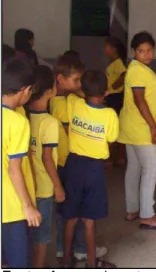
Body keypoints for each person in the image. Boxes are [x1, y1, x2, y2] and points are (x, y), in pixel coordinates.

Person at [50, 54, 106, 262]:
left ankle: (63, 250)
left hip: (67, 162)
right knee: (75, 209)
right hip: (67, 162)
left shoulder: (67, 100)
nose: (79, 85)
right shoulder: (63, 104)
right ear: (60, 79)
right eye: (75, 81)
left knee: (67, 209)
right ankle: (81, 248)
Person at [61, 70, 118, 268]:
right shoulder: (110, 114)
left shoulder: (73, 103)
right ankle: (92, 264)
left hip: (73, 165)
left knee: (70, 217)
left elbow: (74, 93)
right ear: (105, 92)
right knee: (89, 219)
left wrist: (82, 91)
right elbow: (111, 140)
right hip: (95, 168)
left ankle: (66, 261)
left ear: (83, 90)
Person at [119, 32, 156, 230]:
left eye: (149, 50)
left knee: (134, 167)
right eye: (141, 51)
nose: (146, 54)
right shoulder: (139, 71)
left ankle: (133, 208)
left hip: (131, 126)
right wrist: (153, 126)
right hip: (141, 128)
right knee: (151, 168)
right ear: (133, 51)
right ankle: (147, 214)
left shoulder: (137, 68)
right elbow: (140, 100)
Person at [2, 56, 41, 268]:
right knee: (19, 263)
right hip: (12, 207)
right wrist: (28, 207)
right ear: (25, 90)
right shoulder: (18, 122)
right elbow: (14, 169)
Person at [28, 66, 64, 268]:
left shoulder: (24, 115)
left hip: (27, 186)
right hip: (43, 187)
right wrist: (57, 186)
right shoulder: (49, 122)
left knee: (28, 233)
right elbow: (48, 158)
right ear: (50, 90)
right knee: (41, 236)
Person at [103, 36, 127, 166]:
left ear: (113, 49)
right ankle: (117, 157)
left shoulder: (118, 62)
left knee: (113, 127)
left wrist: (111, 89)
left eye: (106, 47)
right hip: (113, 97)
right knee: (115, 127)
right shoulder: (114, 63)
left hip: (115, 98)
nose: (104, 50)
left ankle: (112, 158)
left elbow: (124, 76)